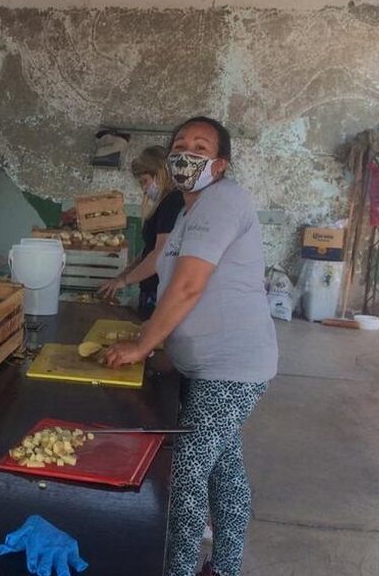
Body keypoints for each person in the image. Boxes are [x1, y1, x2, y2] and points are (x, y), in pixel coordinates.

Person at [104, 116, 277, 576]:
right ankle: (223, 568)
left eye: (201, 147)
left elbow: (187, 287)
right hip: (210, 367)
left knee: (185, 474)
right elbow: (166, 274)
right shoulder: (187, 211)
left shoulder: (223, 201)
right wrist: (154, 338)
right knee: (223, 470)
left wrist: (143, 344)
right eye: (180, 144)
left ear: (219, 164)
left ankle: (181, 570)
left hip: (231, 368)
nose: (187, 154)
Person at [98, 146, 184, 318]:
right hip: (151, 289)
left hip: (160, 293)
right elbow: (149, 250)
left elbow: (160, 254)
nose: (144, 189)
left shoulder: (172, 203)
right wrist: (124, 274)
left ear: (160, 174)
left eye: (145, 181)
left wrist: (124, 281)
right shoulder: (164, 204)